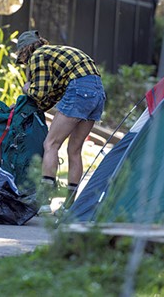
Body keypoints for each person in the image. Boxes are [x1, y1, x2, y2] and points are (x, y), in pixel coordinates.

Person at [14, 30, 106, 214]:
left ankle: (44, 202)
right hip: (98, 93)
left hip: (79, 90)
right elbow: (52, 96)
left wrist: (26, 88)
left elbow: (39, 93)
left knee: (50, 144)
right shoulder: (54, 53)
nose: (25, 63)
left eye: (22, 58)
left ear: (25, 50)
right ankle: (68, 207)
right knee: (74, 150)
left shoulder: (38, 56)